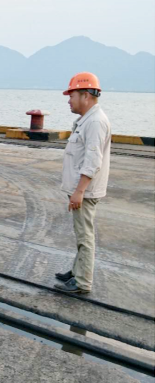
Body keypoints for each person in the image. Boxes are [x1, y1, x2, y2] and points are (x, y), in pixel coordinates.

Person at [54, 72, 111, 294]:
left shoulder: (95, 122)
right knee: (81, 232)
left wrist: (79, 191)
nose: (69, 100)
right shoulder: (87, 120)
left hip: (85, 192)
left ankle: (82, 281)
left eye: (72, 95)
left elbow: (93, 161)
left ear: (86, 95)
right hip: (82, 190)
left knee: (85, 235)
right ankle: (78, 270)